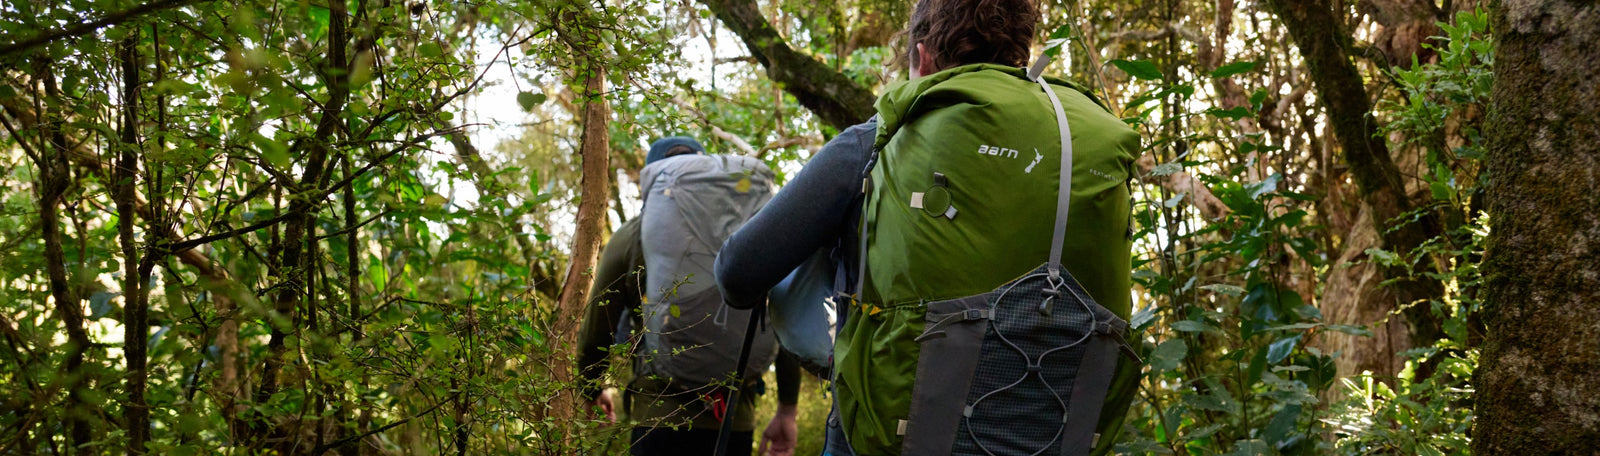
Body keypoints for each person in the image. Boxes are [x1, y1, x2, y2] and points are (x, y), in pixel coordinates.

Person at [714, 0, 1142, 454]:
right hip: (1049, 438)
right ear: (1020, 52)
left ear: (923, 57)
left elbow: (737, 272)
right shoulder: (1077, 140)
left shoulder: (878, 141)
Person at [576, 136, 804, 456]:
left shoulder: (632, 236)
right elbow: (780, 316)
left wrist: (591, 387)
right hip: (732, 419)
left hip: (657, 418)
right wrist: (786, 410)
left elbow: (598, 324)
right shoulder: (750, 236)